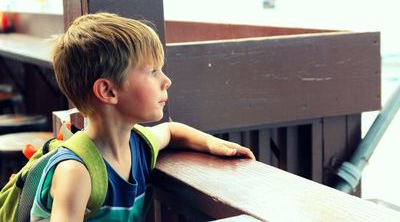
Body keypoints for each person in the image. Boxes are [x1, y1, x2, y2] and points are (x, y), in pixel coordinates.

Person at [31, 12, 255, 221]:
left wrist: (213, 144)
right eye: (153, 71)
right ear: (108, 91)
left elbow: (170, 130)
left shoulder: (138, 144)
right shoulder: (76, 172)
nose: (166, 81)